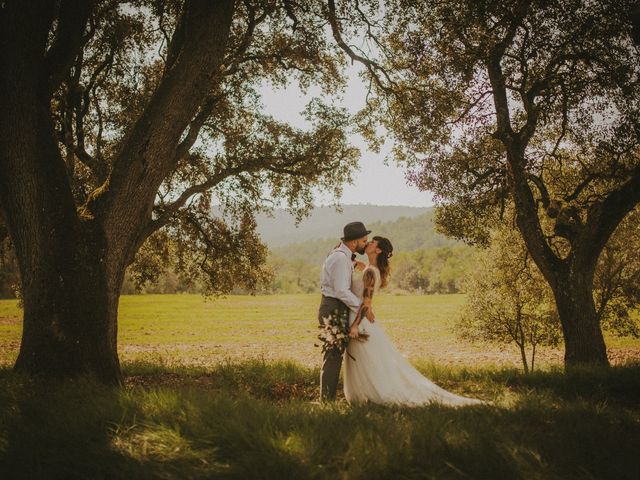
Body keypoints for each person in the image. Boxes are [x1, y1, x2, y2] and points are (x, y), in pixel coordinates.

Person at [344, 236, 485, 407]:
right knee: (366, 360)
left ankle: (376, 394)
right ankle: (367, 395)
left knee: (368, 360)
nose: (368, 243)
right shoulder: (371, 269)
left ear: (378, 250)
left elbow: (366, 303)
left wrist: (354, 326)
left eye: (372, 242)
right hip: (361, 318)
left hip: (360, 321)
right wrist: (355, 262)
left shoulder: (369, 272)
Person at [318, 221, 375, 401]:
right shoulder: (341, 258)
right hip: (333, 308)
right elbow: (341, 290)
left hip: (336, 306)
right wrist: (363, 307)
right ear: (353, 242)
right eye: (364, 240)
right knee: (333, 355)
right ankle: (327, 401)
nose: (366, 244)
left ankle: (328, 399)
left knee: (335, 354)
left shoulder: (344, 256)